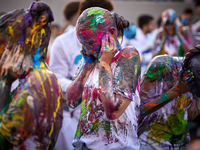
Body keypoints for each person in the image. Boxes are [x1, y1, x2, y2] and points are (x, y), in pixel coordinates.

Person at [67, 7, 141, 149]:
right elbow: (71, 101)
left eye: (89, 43)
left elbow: (113, 111)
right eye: (82, 44)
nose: (86, 49)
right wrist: (86, 67)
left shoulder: (128, 56)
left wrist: (104, 63)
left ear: (111, 34)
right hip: (84, 145)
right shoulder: (89, 59)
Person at [51, 1, 114, 150]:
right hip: (73, 114)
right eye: (103, 20)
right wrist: (84, 85)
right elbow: (56, 78)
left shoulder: (112, 42)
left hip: (106, 114)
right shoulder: (62, 42)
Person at [0, 2, 63, 149]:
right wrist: (7, 83)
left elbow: (5, 139)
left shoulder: (39, 81)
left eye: (3, 48)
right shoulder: (25, 77)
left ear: (20, 46)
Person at [139, 44, 200, 149]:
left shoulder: (195, 83)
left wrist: (195, 97)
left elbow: (191, 115)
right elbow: (139, 111)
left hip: (180, 144)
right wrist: (176, 91)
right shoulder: (161, 65)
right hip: (150, 143)